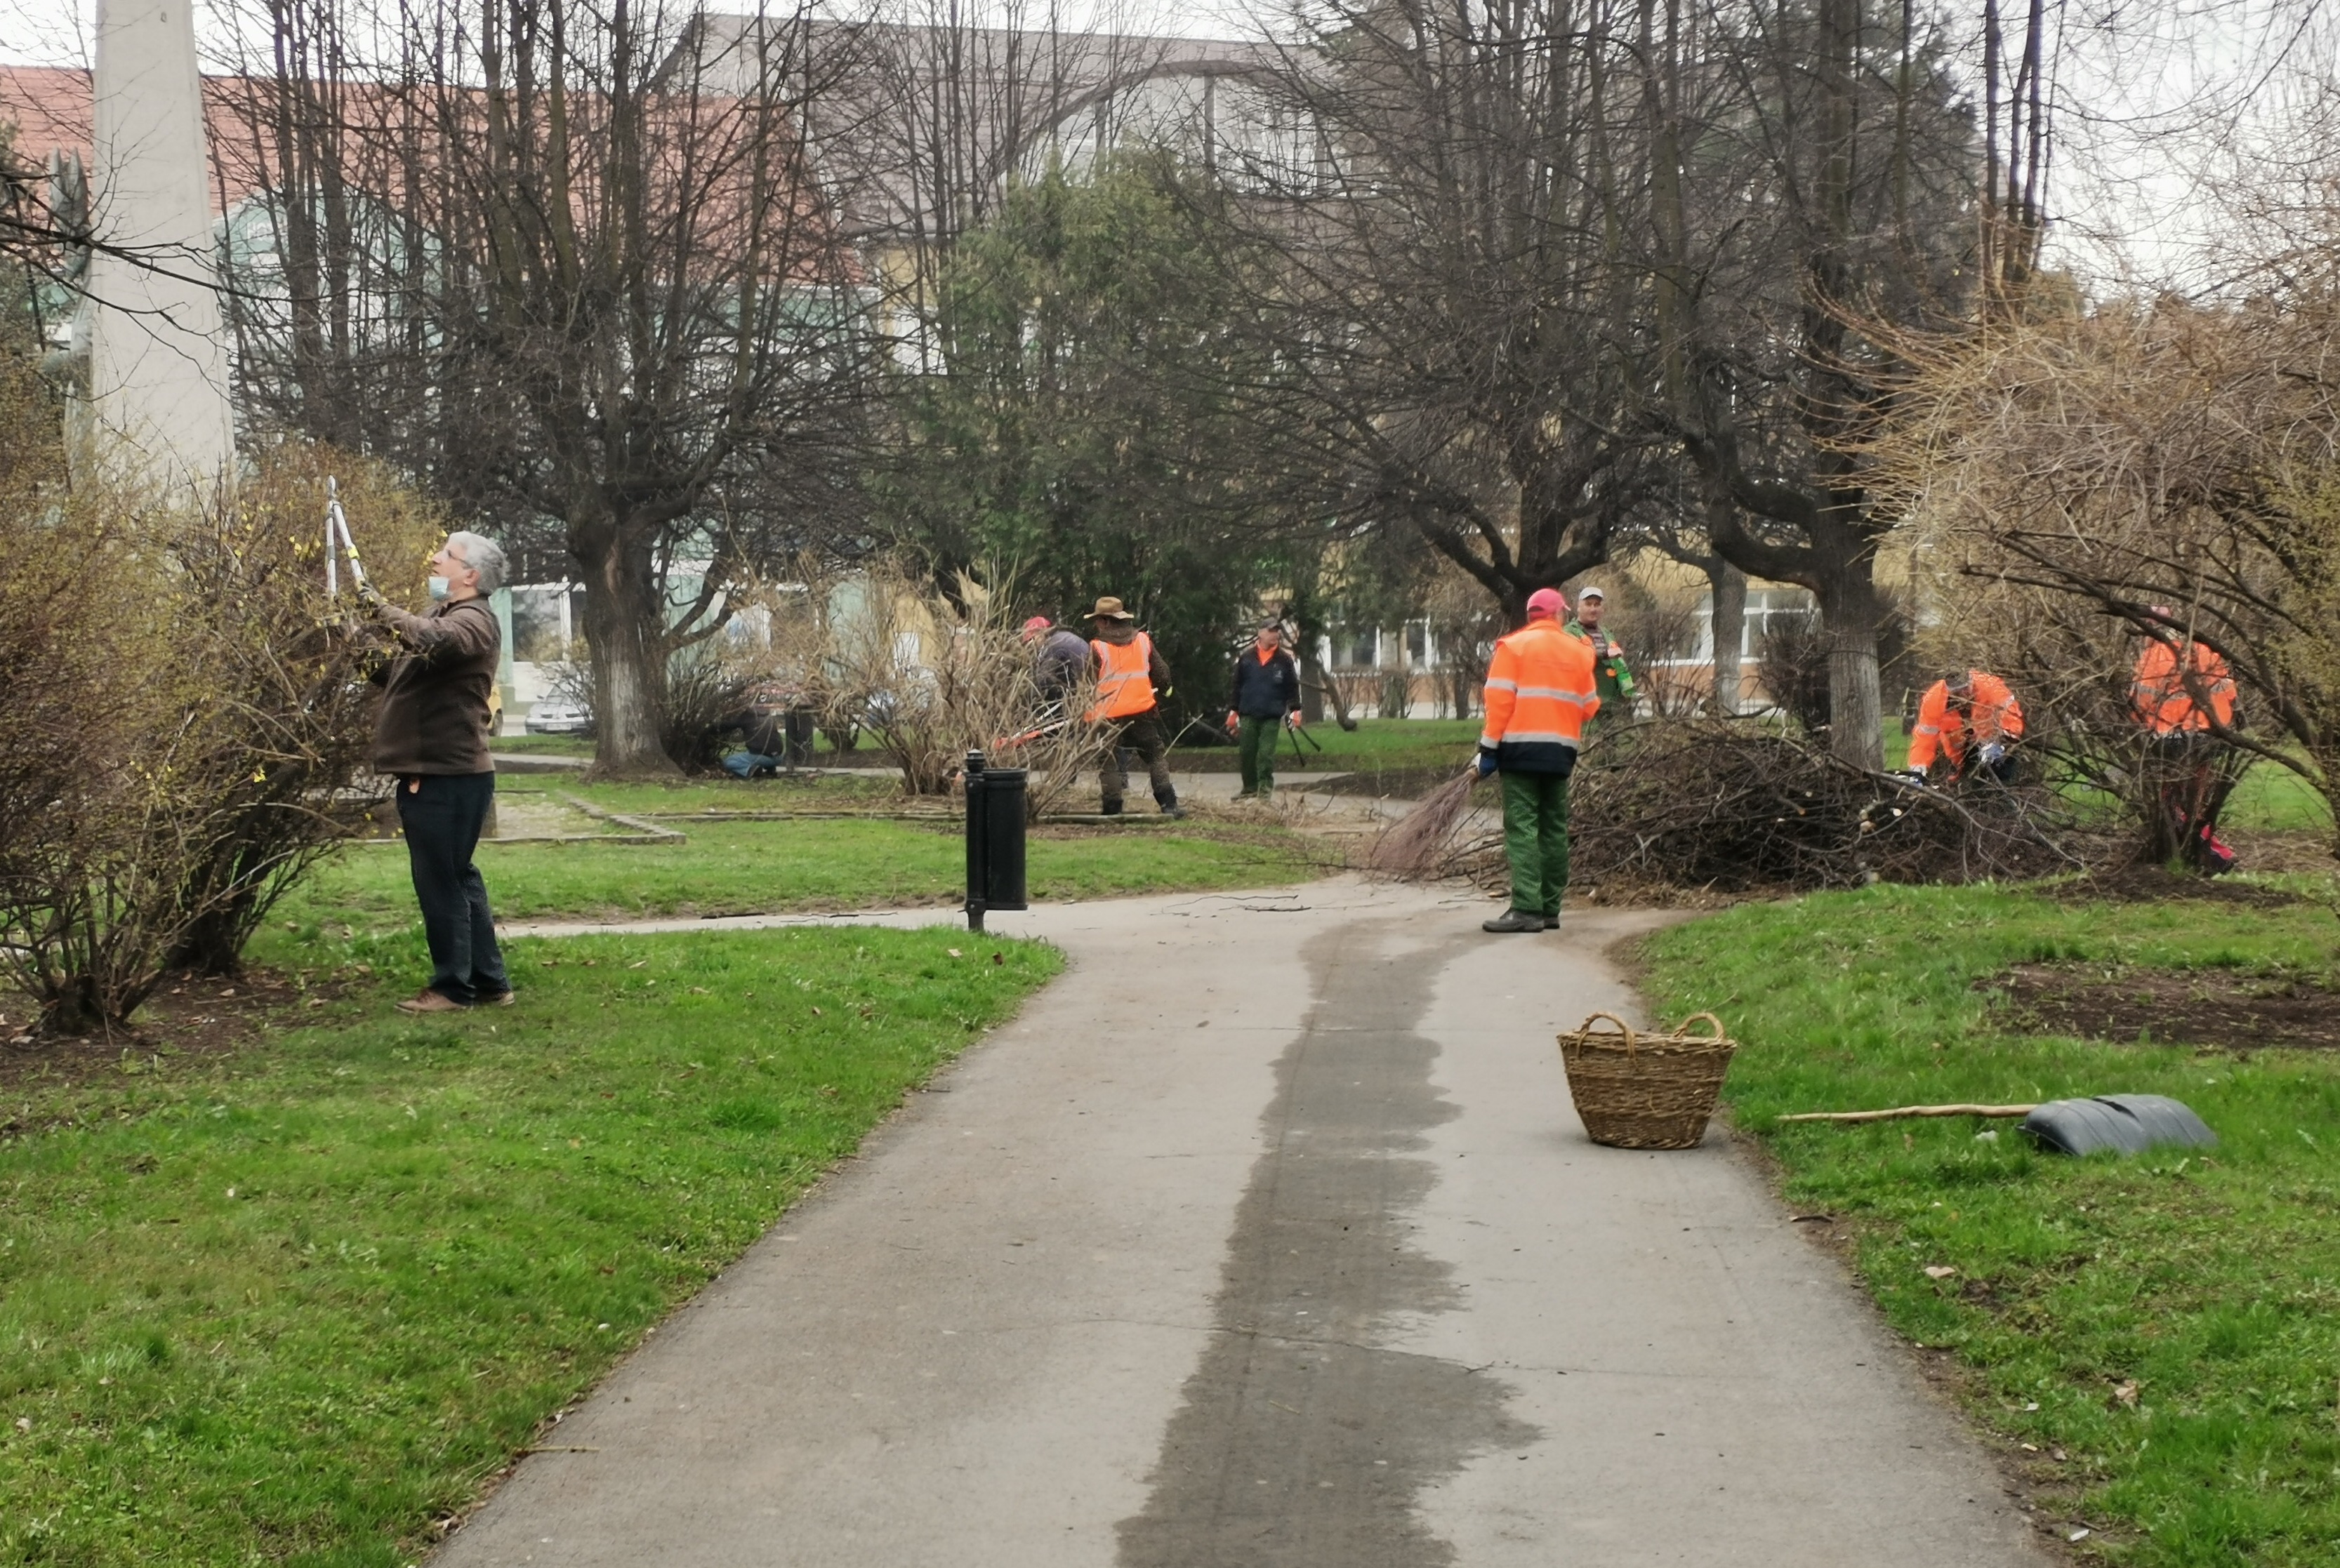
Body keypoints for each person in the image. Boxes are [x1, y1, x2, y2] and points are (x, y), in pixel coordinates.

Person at [359, 531, 514, 1013]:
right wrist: (351, 634)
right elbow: (394, 672)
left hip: (446, 776)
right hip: (447, 774)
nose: (433, 558)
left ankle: (452, 988)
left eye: (446, 555)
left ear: (469, 575)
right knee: (457, 875)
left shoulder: (474, 622)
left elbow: (429, 640)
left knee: (440, 881)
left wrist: (379, 609)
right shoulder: (441, 617)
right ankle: (489, 983)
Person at [1476, 587, 1599, 933]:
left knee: (1523, 827)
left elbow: (1499, 704)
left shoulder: (1513, 648)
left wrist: (1488, 749)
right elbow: (1590, 706)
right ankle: (1549, 909)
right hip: (1561, 753)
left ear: (1532, 616)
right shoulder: (1580, 652)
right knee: (1555, 827)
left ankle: (1526, 908)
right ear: (1559, 615)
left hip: (1520, 750)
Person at [2131, 611, 2240, 870]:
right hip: (2211, 737)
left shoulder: (2152, 658)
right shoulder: (2204, 650)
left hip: (2172, 741)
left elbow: (2138, 705)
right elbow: (2230, 693)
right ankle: (2196, 857)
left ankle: (2216, 856)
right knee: (2195, 800)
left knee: (2172, 803)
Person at [1085, 596, 1181, 818]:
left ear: (1106, 621)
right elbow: (1163, 675)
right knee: (1155, 755)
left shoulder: (1097, 648)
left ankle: (1112, 808)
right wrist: (1164, 691)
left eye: (1098, 620)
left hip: (1106, 714)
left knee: (1107, 760)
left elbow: (1085, 684)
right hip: (1141, 711)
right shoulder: (1143, 641)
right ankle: (1169, 804)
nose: (1096, 625)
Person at [1224, 620, 1302, 800]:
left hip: (1272, 716)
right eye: (1271, 631)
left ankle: (1265, 791)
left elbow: (1292, 687)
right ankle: (1249, 789)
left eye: (1277, 631)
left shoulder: (1284, 660)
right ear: (1260, 633)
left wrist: (1295, 711)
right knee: (1247, 753)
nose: (1276, 634)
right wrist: (1233, 711)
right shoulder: (1247, 659)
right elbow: (1236, 686)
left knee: (1266, 755)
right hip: (1248, 714)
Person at [1907, 668, 2024, 783]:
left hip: (1995, 743)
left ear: (1972, 682)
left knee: (2006, 774)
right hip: (1961, 753)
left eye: (1965, 689)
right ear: (1948, 690)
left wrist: (2006, 739)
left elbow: (2011, 711)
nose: (1963, 696)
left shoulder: (1988, 684)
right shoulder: (1933, 700)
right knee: (1971, 786)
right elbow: (1924, 739)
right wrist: (1917, 770)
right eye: (1957, 693)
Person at [1565, 585, 1637, 722]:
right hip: (1585, 702)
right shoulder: (1569, 631)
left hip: (1611, 703)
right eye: (1588, 604)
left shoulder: (1606, 633)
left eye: (1597, 605)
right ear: (1578, 607)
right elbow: (1576, 656)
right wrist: (1605, 654)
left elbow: (1616, 661)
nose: (1593, 609)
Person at [713, 683, 814, 778]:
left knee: (728, 761)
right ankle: (770, 769)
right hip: (778, 757)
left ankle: (750, 770)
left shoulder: (748, 715)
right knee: (763, 747)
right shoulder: (766, 713)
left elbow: (727, 726)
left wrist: (712, 727)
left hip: (761, 757)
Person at [1024, 615, 1094, 719]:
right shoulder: (1062, 637)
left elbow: (1042, 680)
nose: (1031, 644)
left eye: (1032, 639)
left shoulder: (1054, 646)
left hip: (1084, 692)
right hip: (1090, 685)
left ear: (1041, 633)